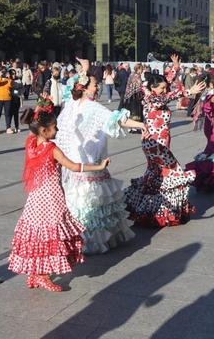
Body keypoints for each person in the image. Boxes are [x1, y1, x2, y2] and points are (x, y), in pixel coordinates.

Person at [8, 105, 110, 292]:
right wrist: (98, 167)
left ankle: (35, 273)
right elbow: (72, 166)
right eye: (54, 127)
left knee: (37, 235)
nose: (57, 130)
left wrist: (38, 113)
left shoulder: (30, 142)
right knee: (51, 236)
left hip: (36, 197)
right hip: (52, 199)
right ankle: (43, 275)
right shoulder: (51, 148)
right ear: (43, 130)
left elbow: (33, 130)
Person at [55, 61, 147, 254]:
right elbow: (117, 120)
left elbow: (71, 86)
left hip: (74, 162)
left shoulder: (71, 103)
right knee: (93, 203)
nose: (98, 87)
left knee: (80, 202)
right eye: (95, 85)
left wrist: (85, 70)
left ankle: (77, 239)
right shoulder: (92, 107)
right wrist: (142, 126)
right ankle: (92, 241)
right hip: (89, 162)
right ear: (86, 89)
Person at [124, 55, 206, 227]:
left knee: (156, 176)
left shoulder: (151, 93)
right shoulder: (152, 99)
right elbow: (166, 97)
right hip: (156, 145)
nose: (164, 90)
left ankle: (149, 210)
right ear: (153, 88)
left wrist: (175, 67)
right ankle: (166, 211)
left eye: (164, 88)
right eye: (161, 88)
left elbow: (165, 84)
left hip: (155, 143)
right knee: (174, 172)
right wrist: (189, 92)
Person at [0, 68, 14, 135]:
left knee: (7, 114)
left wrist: (9, 77)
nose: (3, 73)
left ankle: (8, 127)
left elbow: (11, 85)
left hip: (7, 99)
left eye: (4, 72)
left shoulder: (8, 79)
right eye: (2, 72)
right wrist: (0, 77)